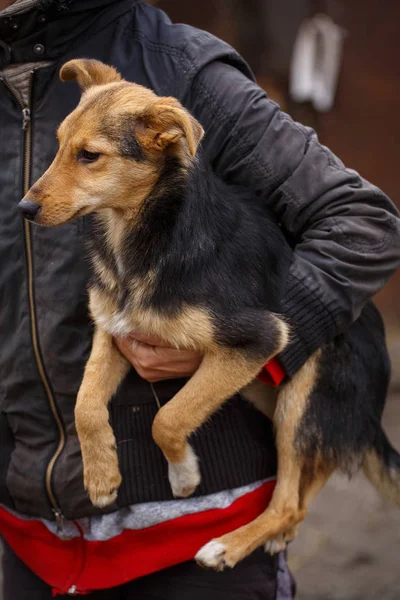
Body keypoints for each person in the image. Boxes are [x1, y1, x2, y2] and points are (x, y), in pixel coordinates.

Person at [0, 0, 399, 598]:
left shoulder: (179, 68)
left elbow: (364, 222)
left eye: (85, 158)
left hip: (195, 538)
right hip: (29, 537)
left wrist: (246, 345)